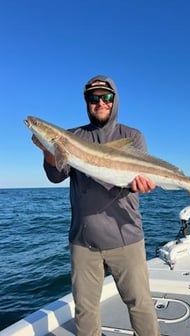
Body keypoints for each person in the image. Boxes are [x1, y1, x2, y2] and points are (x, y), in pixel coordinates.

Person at [32, 75, 160, 336]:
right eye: (93, 98)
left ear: (115, 101)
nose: (100, 102)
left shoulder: (132, 136)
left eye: (106, 97)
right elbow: (57, 176)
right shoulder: (72, 136)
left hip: (126, 237)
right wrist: (48, 150)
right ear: (86, 103)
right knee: (85, 310)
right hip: (83, 240)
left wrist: (141, 184)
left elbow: (138, 178)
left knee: (141, 305)